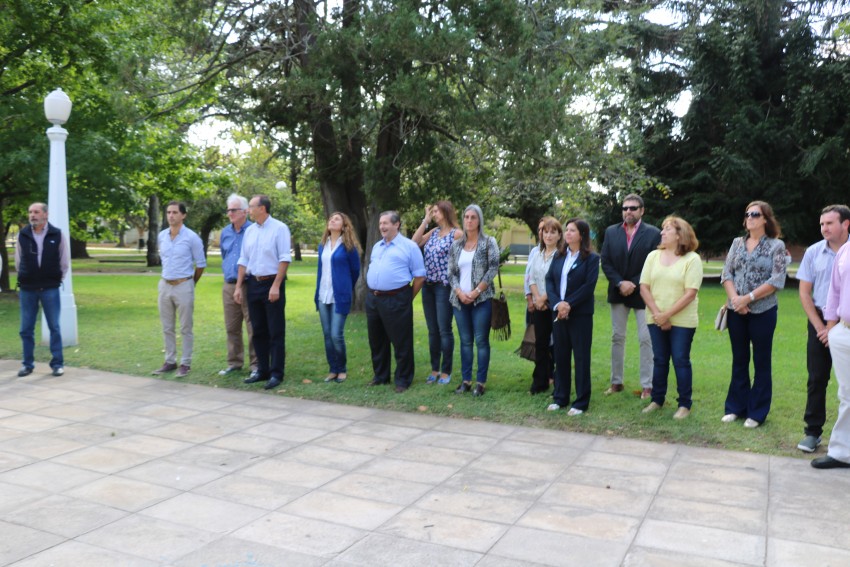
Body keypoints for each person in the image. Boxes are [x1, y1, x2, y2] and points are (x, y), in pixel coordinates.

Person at [721, 200, 787, 428]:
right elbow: (726, 274)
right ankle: (735, 407)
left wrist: (747, 298)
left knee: (761, 361)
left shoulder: (776, 246)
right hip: (736, 310)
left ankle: (756, 412)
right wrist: (735, 300)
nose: (750, 217)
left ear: (765, 219)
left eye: (755, 214)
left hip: (763, 311)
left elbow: (777, 280)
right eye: (748, 214)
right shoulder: (737, 243)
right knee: (739, 359)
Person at [797, 205, 850, 452]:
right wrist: (821, 327)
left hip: (846, 322)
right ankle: (813, 432)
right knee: (817, 378)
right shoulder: (813, 252)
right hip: (818, 321)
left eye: (829, 223)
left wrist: (835, 328)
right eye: (821, 224)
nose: (824, 228)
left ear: (845, 224)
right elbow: (805, 292)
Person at [639, 216, 703, 419]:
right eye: (662, 228)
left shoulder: (692, 259)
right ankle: (657, 400)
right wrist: (658, 314)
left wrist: (667, 315)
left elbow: (690, 292)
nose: (662, 232)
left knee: (680, 360)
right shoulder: (652, 256)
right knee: (659, 359)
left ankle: (684, 404)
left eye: (667, 229)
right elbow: (644, 287)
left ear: (679, 234)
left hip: (682, 321)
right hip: (655, 317)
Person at [600, 193, 661, 399]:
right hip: (618, 292)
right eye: (625, 208)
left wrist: (633, 283)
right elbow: (605, 261)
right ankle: (616, 382)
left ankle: (647, 385)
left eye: (633, 208)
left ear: (642, 211)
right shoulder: (611, 232)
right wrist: (619, 282)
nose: (628, 211)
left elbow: (654, 264)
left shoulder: (653, 233)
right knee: (617, 337)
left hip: (643, 293)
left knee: (646, 339)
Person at [365, 211, 426, 393]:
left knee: (401, 341)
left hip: (397, 298)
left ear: (397, 224)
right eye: (380, 223)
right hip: (374, 299)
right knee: (377, 341)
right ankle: (381, 376)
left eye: (386, 223)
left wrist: (407, 298)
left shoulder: (409, 246)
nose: (382, 227)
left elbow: (420, 276)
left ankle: (403, 379)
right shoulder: (377, 246)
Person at [234, 195, 291, 390]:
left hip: (272, 283)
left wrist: (276, 285)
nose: (248, 210)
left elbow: (284, 259)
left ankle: (276, 373)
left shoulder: (279, 228)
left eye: (251, 206)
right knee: (257, 330)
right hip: (253, 284)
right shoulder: (249, 231)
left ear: (263, 208)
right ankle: (262, 370)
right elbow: (243, 259)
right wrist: (239, 286)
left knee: (275, 330)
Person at [545, 218, 600, 415]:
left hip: (580, 315)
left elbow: (588, 286)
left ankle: (581, 402)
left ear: (582, 235)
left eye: (572, 230)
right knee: (560, 356)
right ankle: (560, 397)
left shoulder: (591, 259)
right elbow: (549, 280)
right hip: (559, 313)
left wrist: (569, 304)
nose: (567, 233)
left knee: (581, 357)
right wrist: (558, 303)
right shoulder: (559, 256)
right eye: (566, 230)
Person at [448, 204, 500, 397]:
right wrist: (460, 292)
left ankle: (481, 382)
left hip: (482, 300)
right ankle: (466, 381)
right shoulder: (456, 245)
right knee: (465, 341)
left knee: (481, 341)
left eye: (473, 217)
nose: (469, 221)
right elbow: (451, 273)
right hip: (460, 300)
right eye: (466, 217)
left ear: (479, 221)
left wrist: (476, 291)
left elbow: (493, 268)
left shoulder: (488, 242)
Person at [152, 201, 206, 378]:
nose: (171, 216)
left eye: (175, 212)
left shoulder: (192, 237)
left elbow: (201, 264)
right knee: (167, 327)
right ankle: (169, 361)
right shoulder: (162, 236)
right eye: (168, 212)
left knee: (185, 327)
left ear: (183, 215)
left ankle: (185, 363)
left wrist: (191, 283)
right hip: (165, 285)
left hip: (184, 285)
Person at [15, 202, 69, 377]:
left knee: (54, 326)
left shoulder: (57, 234)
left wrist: (55, 279)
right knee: (26, 329)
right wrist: (26, 276)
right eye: (30, 212)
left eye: (36, 212)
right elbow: (18, 260)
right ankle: (27, 364)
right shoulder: (23, 235)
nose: (32, 215)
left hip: (49, 288)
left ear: (45, 214)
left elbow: (64, 261)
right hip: (28, 289)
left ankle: (57, 364)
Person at [412, 201, 461, 385]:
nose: (433, 214)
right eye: (432, 211)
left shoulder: (456, 234)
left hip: (444, 286)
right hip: (428, 286)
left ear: (446, 212)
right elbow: (414, 243)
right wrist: (425, 220)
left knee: (444, 329)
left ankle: (446, 371)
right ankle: (435, 369)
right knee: (432, 330)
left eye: (435, 211)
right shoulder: (432, 233)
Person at [811, 239, 850, 469]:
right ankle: (842, 453)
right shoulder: (845, 250)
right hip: (843, 330)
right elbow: (834, 291)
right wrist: (831, 328)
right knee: (846, 395)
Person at [315, 212, 361, 384]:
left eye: (336, 219)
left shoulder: (349, 247)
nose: (331, 221)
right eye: (330, 219)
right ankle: (332, 369)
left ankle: (341, 369)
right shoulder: (323, 245)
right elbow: (321, 270)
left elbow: (355, 271)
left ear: (343, 226)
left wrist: (345, 287)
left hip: (339, 296)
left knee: (336, 334)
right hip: (322, 295)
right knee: (327, 335)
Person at [219, 194, 257, 378]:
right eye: (228, 210)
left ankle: (256, 365)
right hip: (229, 285)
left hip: (249, 284)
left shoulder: (253, 230)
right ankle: (234, 362)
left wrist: (241, 285)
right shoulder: (225, 232)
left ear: (244, 212)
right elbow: (224, 255)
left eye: (233, 210)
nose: (230, 213)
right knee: (232, 326)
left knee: (253, 326)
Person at [527, 216, 563, 395]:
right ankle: (539, 382)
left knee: (557, 346)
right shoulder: (538, 254)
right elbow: (531, 278)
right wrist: (536, 298)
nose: (548, 235)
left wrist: (544, 298)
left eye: (553, 232)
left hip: (554, 305)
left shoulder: (561, 255)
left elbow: (557, 281)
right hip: (539, 305)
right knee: (540, 344)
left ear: (559, 235)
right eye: (545, 232)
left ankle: (558, 382)